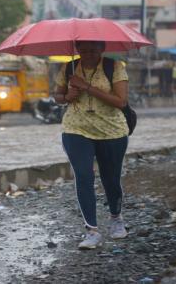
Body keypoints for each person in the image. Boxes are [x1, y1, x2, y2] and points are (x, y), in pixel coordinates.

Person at [54, 40, 129, 250]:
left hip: (111, 131)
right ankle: (92, 230)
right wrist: (66, 96)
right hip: (75, 130)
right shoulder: (68, 67)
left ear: (102, 49)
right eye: (83, 50)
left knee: (111, 178)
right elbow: (57, 96)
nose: (88, 54)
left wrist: (86, 87)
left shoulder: (114, 67)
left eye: (93, 50)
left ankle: (116, 219)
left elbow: (121, 101)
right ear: (77, 50)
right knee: (84, 176)